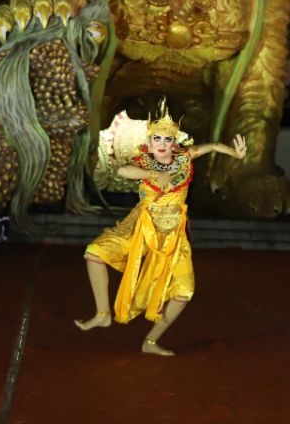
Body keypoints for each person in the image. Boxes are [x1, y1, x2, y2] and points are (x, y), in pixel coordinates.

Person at [75, 100, 246, 356]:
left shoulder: (183, 157)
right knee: (94, 253)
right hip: (142, 228)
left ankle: (151, 342)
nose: (162, 145)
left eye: (167, 140)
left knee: (184, 293)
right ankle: (102, 313)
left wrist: (234, 153)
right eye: (158, 139)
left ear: (174, 141)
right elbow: (123, 170)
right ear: (151, 140)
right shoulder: (143, 162)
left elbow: (210, 146)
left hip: (173, 236)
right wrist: (154, 175)